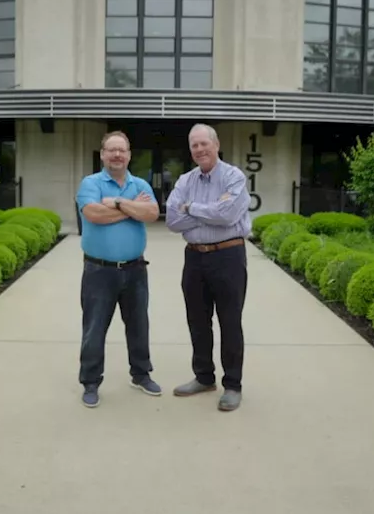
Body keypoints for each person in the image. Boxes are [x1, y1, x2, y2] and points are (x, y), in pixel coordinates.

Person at [165, 123, 252, 412]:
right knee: (197, 321)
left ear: (216, 144)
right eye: (194, 145)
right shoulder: (185, 180)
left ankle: (232, 385)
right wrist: (209, 211)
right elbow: (171, 221)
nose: (200, 149)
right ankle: (204, 377)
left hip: (228, 256)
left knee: (229, 321)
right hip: (194, 259)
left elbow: (227, 215)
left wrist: (190, 208)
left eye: (204, 143)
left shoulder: (233, 176)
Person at [74, 130, 162, 408]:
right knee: (94, 328)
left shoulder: (139, 184)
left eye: (121, 150)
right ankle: (90, 382)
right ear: (102, 155)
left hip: (136, 270)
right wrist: (132, 209)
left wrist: (118, 203)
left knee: (138, 325)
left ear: (129, 155)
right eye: (111, 150)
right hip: (99, 272)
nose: (117, 155)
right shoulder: (90, 183)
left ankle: (140, 374)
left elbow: (153, 214)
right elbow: (93, 214)